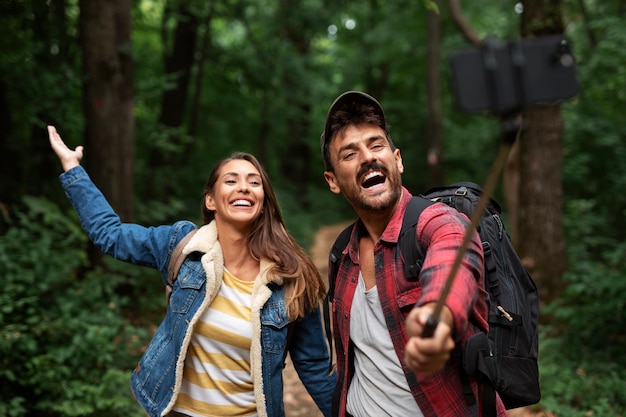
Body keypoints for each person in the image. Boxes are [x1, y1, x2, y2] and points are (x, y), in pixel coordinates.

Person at [48, 125, 336, 417]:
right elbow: (111, 235)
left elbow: (314, 366)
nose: (244, 187)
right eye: (231, 180)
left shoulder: (291, 278)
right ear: (211, 200)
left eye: (254, 182)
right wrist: (73, 169)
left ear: (262, 203)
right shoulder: (183, 248)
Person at [319, 92, 507, 417]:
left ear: (398, 160)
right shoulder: (342, 253)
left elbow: (453, 259)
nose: (367, 157)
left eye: (376, 145)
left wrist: (437, 317)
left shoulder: (437, 222)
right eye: (350, 154)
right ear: (333, 181)